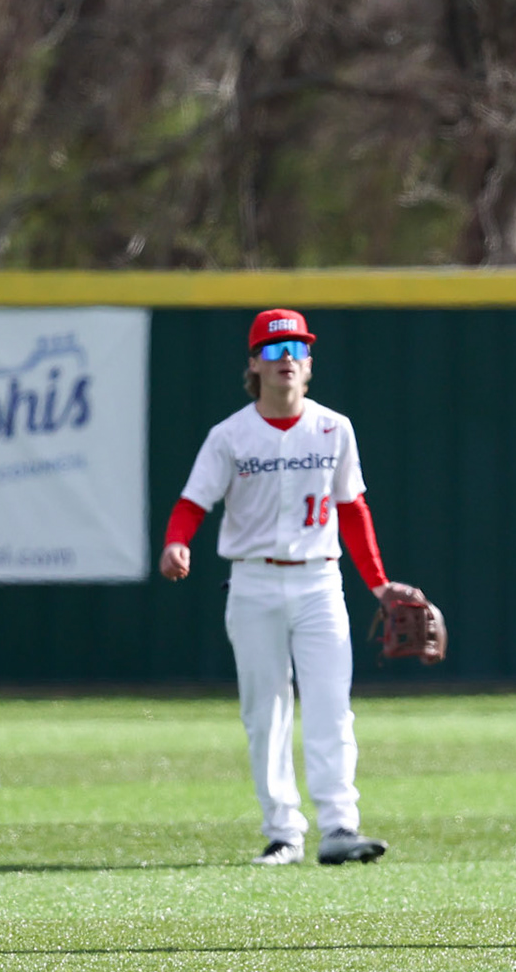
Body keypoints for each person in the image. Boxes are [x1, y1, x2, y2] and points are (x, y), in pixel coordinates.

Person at [158, 308, 407, 867]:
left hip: (321, 578)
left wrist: (380, 584)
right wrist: (178, 542)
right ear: (254, 365)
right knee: (265, 710)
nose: (286, 359)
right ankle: (283, 832)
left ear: (310, 362)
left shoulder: (333, 427)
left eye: (296, 348)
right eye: (273, 351)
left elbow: (353, 508)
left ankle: (340, 825)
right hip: (252, 580)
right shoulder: (230, 435)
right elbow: (191, 502)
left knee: (330, 705)